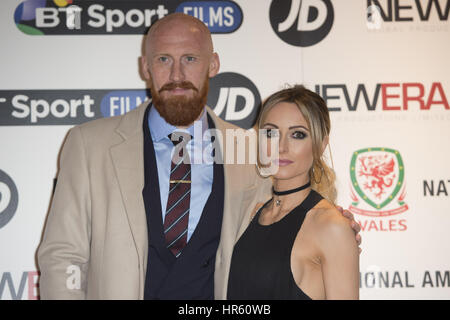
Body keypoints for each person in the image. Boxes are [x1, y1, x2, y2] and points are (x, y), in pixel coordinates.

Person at [37, 13, 360, 300]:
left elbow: (286, 220)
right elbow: (62, 256)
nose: (177, 74)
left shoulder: (250, 150)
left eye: (190, 58)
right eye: (163, 59)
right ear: (145, 67)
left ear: (214, 64)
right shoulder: (89, 144)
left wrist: (336, 232)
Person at [227, 85, 360, 300]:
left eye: (298, 134)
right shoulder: (253, 214)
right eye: (271, 133)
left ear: (321, 144)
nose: (282, 146)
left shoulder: (331, 226)